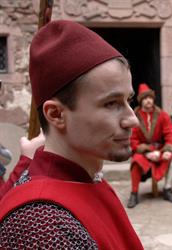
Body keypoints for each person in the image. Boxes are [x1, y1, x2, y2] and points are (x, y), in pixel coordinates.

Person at [0, 20, 143, 249]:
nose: (132, 119)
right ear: (56, 114)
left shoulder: (91, 180)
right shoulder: (40, 220)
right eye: (111, 103)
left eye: (129, 100)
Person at [127, 83, 172, 208]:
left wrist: (167, 150)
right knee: (136, 162)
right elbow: (133, 140)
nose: (148, 100)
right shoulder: (134, 117)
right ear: (141, 101)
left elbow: (170, 134)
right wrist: (147, 152)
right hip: (144, 153)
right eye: (145, 98)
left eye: (150, 97)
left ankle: (167, 189)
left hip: (159, 150)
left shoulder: (162, 115)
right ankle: (134, 193)